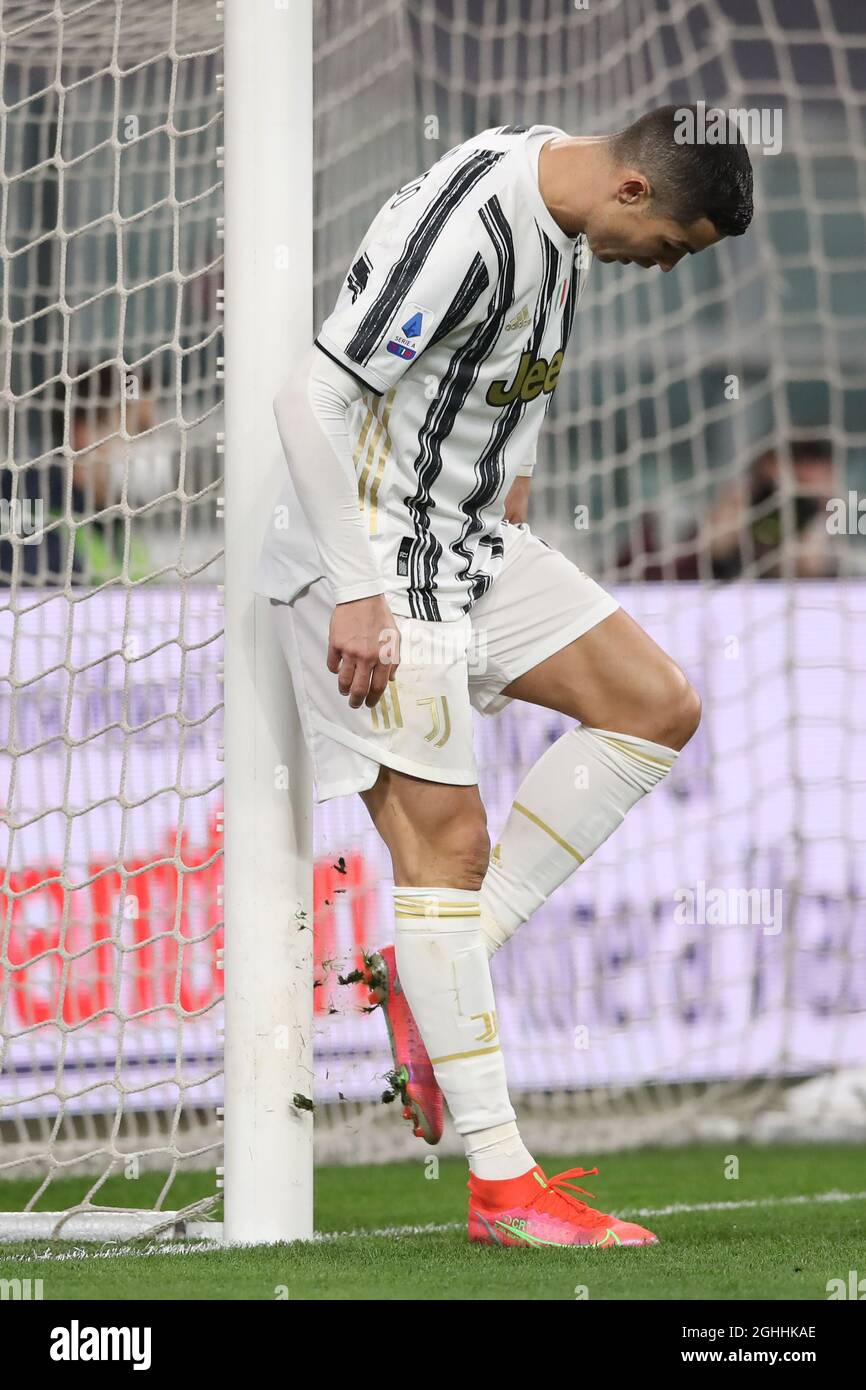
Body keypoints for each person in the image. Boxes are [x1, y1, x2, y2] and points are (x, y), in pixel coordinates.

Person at [256, 106, 753, 1247]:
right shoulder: (469, 222)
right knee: (448, 846)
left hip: (473, 544)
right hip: (376, 553)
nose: (664, 267)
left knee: (654, 705)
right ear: (631, 190)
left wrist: (513, 470)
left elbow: (507, 370)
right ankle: (499, 1187)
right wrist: (355, 585)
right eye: (673, 243)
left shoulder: (566, 211)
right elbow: (310, 396)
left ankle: (433, 970)